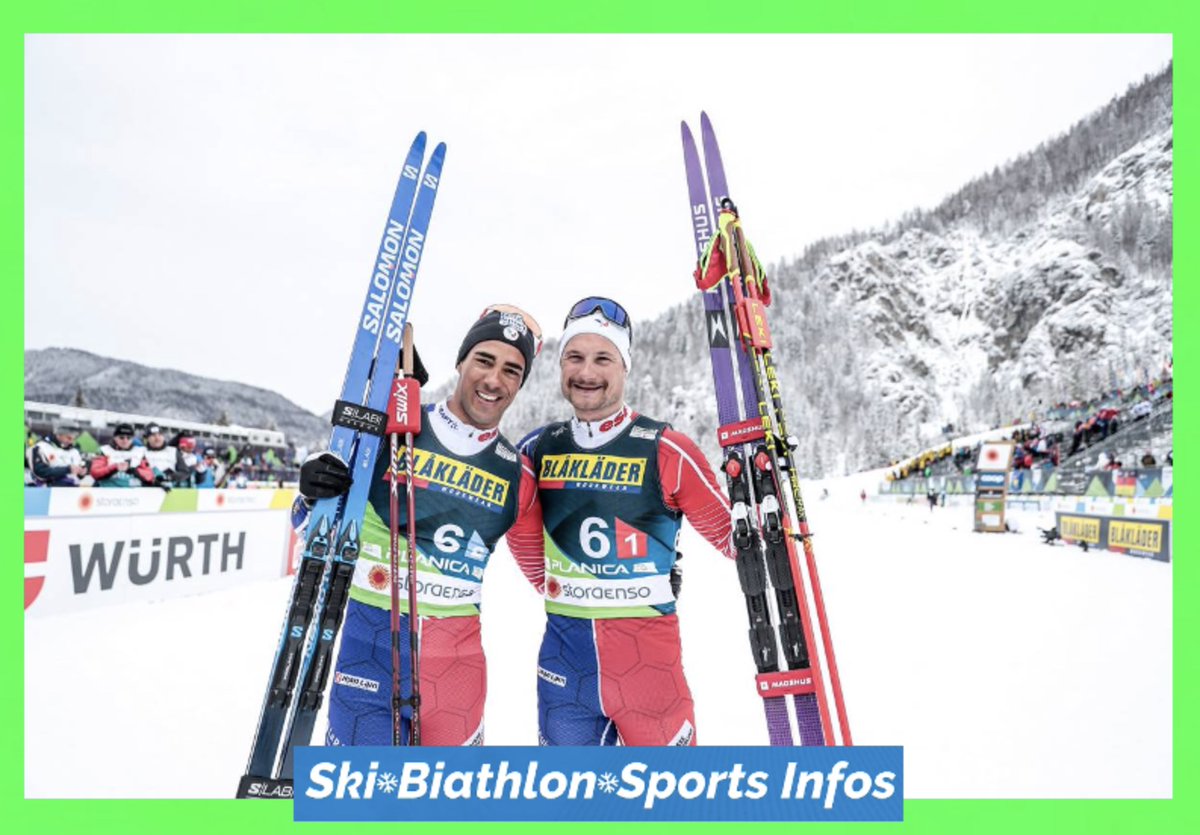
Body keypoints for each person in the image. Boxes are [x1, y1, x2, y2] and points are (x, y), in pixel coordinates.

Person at [295, 306, 545, 747]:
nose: (493, 380)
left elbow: (549, 571)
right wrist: (314, 492)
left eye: (511, 370)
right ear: (461, 362)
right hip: (367, 659)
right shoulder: (390, 435)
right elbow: (312, 527)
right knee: (357, 812)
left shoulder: (517, 476)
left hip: (456, 677)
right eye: (484, 360)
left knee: (447, 816)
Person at [518, 297, 732, 746]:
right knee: (568, 812)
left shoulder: (666, 449)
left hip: (650, 675)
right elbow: (502, 518)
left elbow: (732, 537)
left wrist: (763, 499)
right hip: (564, 674)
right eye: (574, 357)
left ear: (625, 366)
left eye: (603, 358)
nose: (587, 373)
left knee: (671, 811)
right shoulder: (538, 449)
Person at [90, 423, 155, 487]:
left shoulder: (140, 451)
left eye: (128, 438)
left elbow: (149, 476)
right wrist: (115, 467)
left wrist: (131, 470)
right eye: (121, 437)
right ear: (115, 438)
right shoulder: (104, 450)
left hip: (134, 492)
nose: (125, 440)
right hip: (109, 491)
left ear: (132, 439)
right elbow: (95, 472)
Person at [142, 423, 187, 487]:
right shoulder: (141, 451)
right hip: (146, 491)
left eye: (160, 435)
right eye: (153, 435)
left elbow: (184, 472)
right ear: (147, 438)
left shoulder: (173, 451)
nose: (157, 438)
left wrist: (168, 477)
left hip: (169, 491)